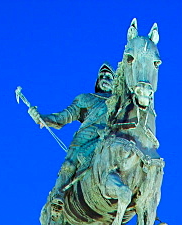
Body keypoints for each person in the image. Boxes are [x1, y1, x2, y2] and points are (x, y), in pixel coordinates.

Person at [27, 63, 124, 211]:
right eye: (101, 76)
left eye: (108, 76)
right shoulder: (86, 98)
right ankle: (58, 195)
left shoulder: (122, 103)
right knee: (70, 163)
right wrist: (42, 118)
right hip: (87, 137)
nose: (104, 78)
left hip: (111, 138)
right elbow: (63, 117)